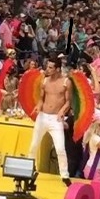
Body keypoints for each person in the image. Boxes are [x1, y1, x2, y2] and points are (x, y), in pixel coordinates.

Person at [28, 58, 72, 186]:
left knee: (60, 148)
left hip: (56, 119)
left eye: (50, 67)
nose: (47, 69)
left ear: (57, 69)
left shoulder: (66, 82)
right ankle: (30, 169)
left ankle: (64, 175)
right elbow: (41, 99)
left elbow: (68, 102)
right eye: (47, 67)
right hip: (42, 116)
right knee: (34, 145)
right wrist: (38, 106)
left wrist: (62, 111)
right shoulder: (45, 81)